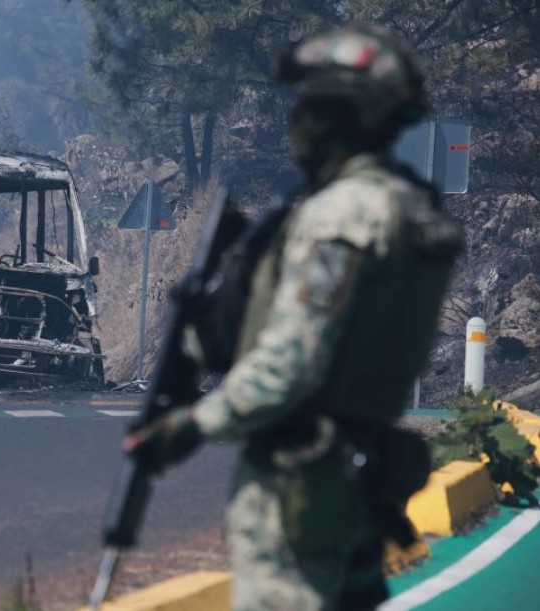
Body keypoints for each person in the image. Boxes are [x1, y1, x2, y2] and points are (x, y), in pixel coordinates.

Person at [126, 23, 462, 610]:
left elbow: (294, 360)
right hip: (360, 478)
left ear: (337, 117)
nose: (297, 123)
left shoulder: (342, 217)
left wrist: (192, 424)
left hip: (301, 484)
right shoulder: (409, 207)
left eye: (309, 108)